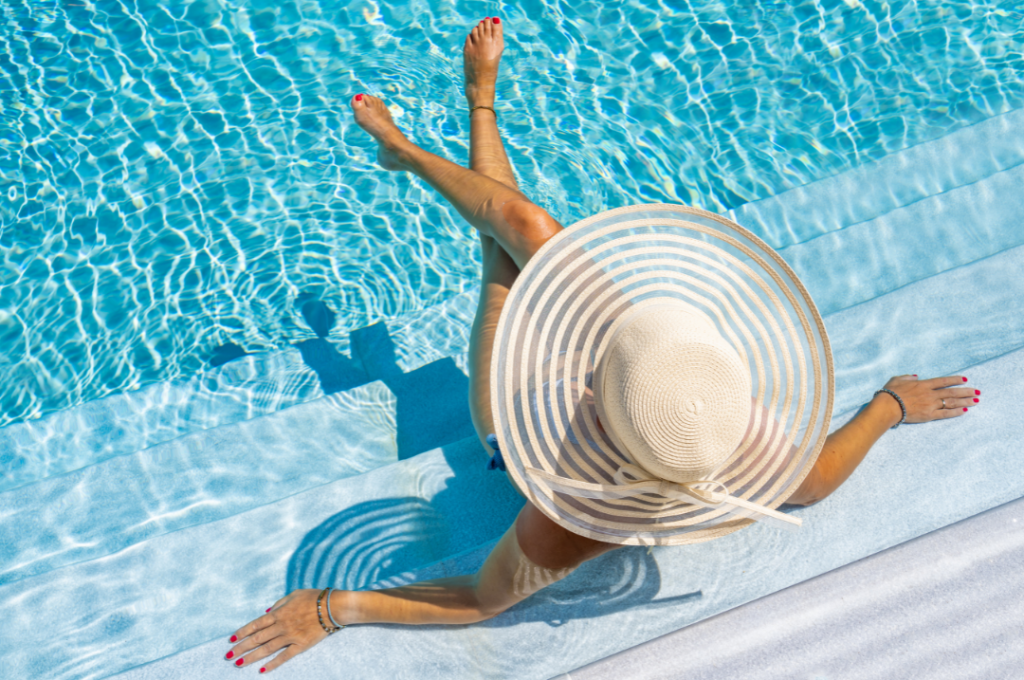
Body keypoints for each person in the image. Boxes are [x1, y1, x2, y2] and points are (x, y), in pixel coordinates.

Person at [223, 18, 980, 674]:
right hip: (629, 365)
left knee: (502, 264)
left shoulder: (574, 516)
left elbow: (482, 600)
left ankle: (423, 139)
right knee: (527, 231)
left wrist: (333, 608)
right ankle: (447, 133)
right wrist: (886, 408)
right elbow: (811, 481)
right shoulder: (713, 413)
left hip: (520, 417)